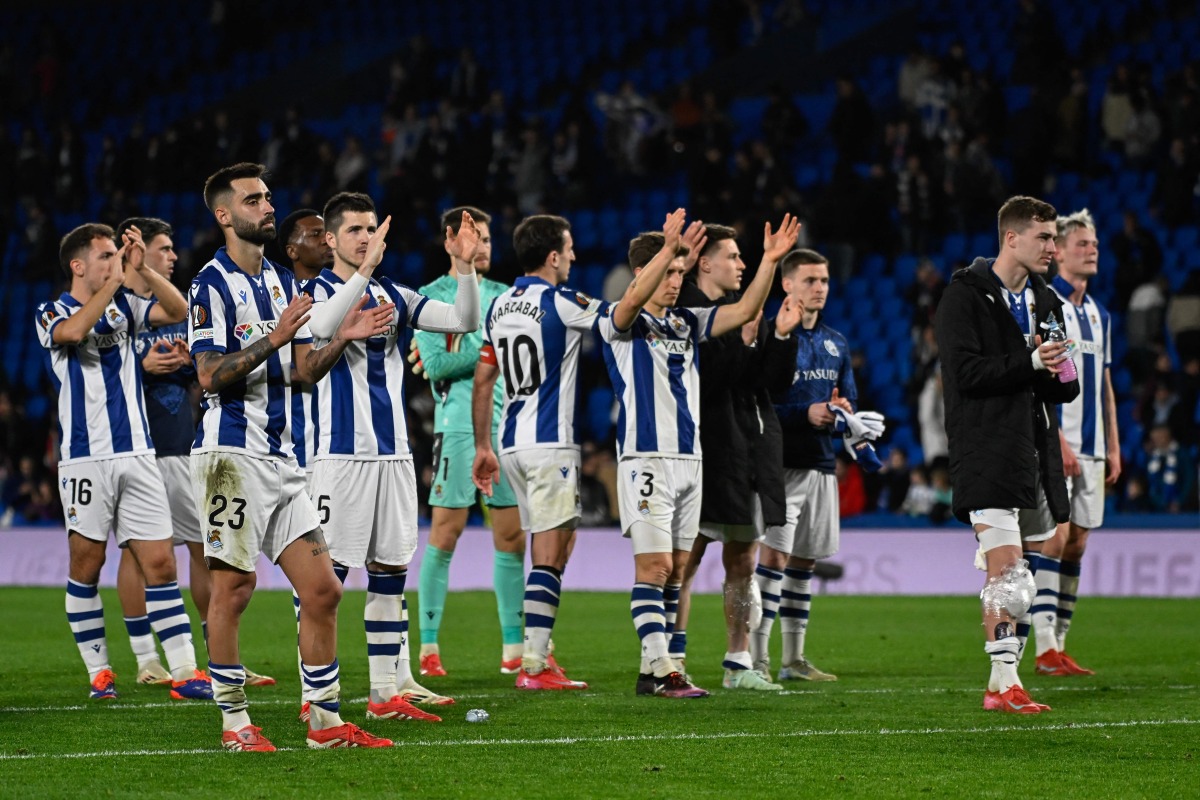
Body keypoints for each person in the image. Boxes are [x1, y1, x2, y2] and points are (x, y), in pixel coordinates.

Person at [190, 163, 395, 750]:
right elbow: (208, 374)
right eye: (253, 199)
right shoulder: (210, 284)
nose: (267, 205)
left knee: (324, 590)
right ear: (225, 215)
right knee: (233, 589)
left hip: (282, 462)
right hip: (230, 456)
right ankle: (235, 724)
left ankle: (325, 723)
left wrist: (342, 339)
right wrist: (275, 339)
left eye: (268, 196)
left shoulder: (280, 282)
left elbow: (304, 373)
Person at [598, 210, 800, 697]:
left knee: (674, 568)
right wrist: (669, 249)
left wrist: (771, 261)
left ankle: (655, 671)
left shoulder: (688, 321)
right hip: (646, 458)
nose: (675, 282)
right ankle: (666, 668)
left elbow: (745, 308)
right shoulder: (620, 321)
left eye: (677, 273)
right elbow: (628, 303)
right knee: (658, 569)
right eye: (667, 273)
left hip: (692, 462)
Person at [299, 191, 481, 723]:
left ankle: (384, 697)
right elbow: (321, 330)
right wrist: (365, 272)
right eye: (355, 230)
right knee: (325, 579)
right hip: (339, 457)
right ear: (330, 239)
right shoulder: (312, 291)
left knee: (389, 570)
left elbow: (463, 321)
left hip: (394, 456)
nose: (366, 237)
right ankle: (314, 696)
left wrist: (465, 267)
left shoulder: (394, 296)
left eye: (372, 227)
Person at [36, 222, 211, 702]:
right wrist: (118, 281)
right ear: (79, 266)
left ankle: (185, 672)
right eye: (106, 256)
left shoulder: (125, 307)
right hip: (86, 460)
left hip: (138, 453)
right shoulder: (51, 311)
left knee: (159, 561)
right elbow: (73, 332)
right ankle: (100, 670)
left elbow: (176, 309)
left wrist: (143, 272)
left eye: (117, 254)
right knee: (87, 565)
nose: (115, 262)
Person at [113, 217, 274, 688]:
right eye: (163, 249)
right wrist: (139, 366)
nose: (172, 256)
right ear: (135, 251)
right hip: (137, 450)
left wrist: (186, 365)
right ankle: (147, 658)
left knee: (203, 551)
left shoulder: (170, 312)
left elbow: (202, 370)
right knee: (138, 555)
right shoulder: (115, 314)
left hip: (183, 447)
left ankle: (215, 652)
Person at [935, 195, 1079, 714]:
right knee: (1007, 570)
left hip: (1035, 449)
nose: (1053, 248)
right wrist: (1030, 360)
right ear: (1011, 238)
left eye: (1054, 237)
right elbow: (966, 375)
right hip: (986, 448)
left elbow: (1064, 388)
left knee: (1030, 569)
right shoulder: (964, 297)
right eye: (1044, 238)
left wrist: (1062, 369)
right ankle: (1004, 682)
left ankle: (1003, 684)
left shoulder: (1048, 302)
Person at [469, 214, 604, 690]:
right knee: (548, 555)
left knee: (558, 545)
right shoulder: (563, 302)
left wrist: (483, 445)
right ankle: (533, 664)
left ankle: (540, 651)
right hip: (550, 445)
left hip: (510, 444)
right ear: (552, 256)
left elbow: (483, 380)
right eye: (568, 249)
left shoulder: (499, 304)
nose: (573, 257)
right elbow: (619, 317)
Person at [673, 223, 799, 692]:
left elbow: (769, 383)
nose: (742, 264)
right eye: (733, 256)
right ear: (704, 262)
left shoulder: (746, 315)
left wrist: (781, 337)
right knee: (683, 561)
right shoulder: (687, 313)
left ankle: (738, 661)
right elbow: (713, 380)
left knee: (743, 561)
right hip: (707, 451)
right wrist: (746, 340)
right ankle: (671, 658)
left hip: (751, 448)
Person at [750, 248, 883, 683]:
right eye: (810, 280)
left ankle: (794, 659)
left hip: (822, 465)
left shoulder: (836, 343)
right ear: (786, 285)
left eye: (824, 281)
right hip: (780, 464)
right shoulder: (767, 335)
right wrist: (805, 413)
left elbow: (850, 401)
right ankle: (756, 658)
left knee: (804, 563)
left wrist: (843, 411)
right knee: (774, 557)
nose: (820, 288)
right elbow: (758, 403)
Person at [412, 206, 526, 678]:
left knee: (512, 538)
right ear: (449, 241)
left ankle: (515, 650)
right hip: (458, 426)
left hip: (509, 427)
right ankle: (430, 647)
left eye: (485, 238)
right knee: (445, 532)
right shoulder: (431, 297)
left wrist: (475, 350)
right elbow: (435, 366)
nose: (480, 246)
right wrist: (489, 353)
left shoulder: (507, 296)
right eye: (470, 236)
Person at [1030, 209, 1121, 677]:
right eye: (1082, 244)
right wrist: (1057, 439)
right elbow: (1045, 378)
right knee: (1056, 536)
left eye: (1095, 245)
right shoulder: (1050, 305)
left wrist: (1115, 443)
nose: (1091, 252)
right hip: (1059, 441)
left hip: (1094, 445)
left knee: (1078, 544)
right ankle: (1044, 645)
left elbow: (1103, 383)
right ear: (1059, 251)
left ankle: (1060, 643)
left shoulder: (1100, 314)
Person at [276, 208, 333, 478]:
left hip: (345, 441)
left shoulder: (345, 295)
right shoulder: (284, 302)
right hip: (303, 444)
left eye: (327, 233)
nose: (326, 239)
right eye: (315, 235)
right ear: (292, 252)